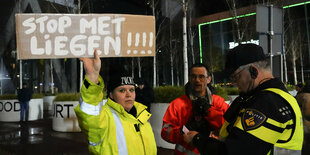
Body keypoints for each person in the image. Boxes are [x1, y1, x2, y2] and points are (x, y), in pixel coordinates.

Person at [184, 44, 304, 155]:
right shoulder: (272, 97)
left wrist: (197, 139)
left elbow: (235, 152)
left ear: (253, 71)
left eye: (236, 77)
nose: (234, 83)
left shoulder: (267, 103)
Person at [74, 50, 157, 155]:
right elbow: (89, 116)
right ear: (111, 95)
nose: (128, 94)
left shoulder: (143, 116)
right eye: (122, 90)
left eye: (131, 90)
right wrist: (92, 77)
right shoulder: (105, 117)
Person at [161, 63, 229, 155]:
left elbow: (229, 128)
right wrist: (182, 131)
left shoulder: (219, 103)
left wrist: (210, 113)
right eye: (193, 76)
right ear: (189, 78)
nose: (197, 80)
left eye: (201, 77)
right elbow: (165, 132)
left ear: (208, 79)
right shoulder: (177, 104)